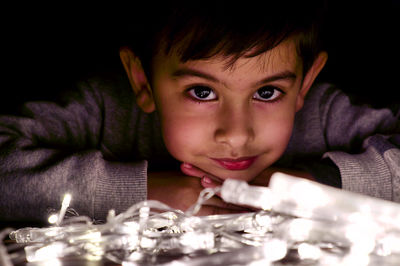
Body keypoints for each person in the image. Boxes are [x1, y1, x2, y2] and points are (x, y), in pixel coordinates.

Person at [0, 1, 398, 224]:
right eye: (202, 91)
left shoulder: (324, 115)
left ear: (304, 85)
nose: (237, 134)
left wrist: (314, 183)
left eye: (267, 91)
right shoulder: (105, 110)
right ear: (142, 82)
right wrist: (139, 194)